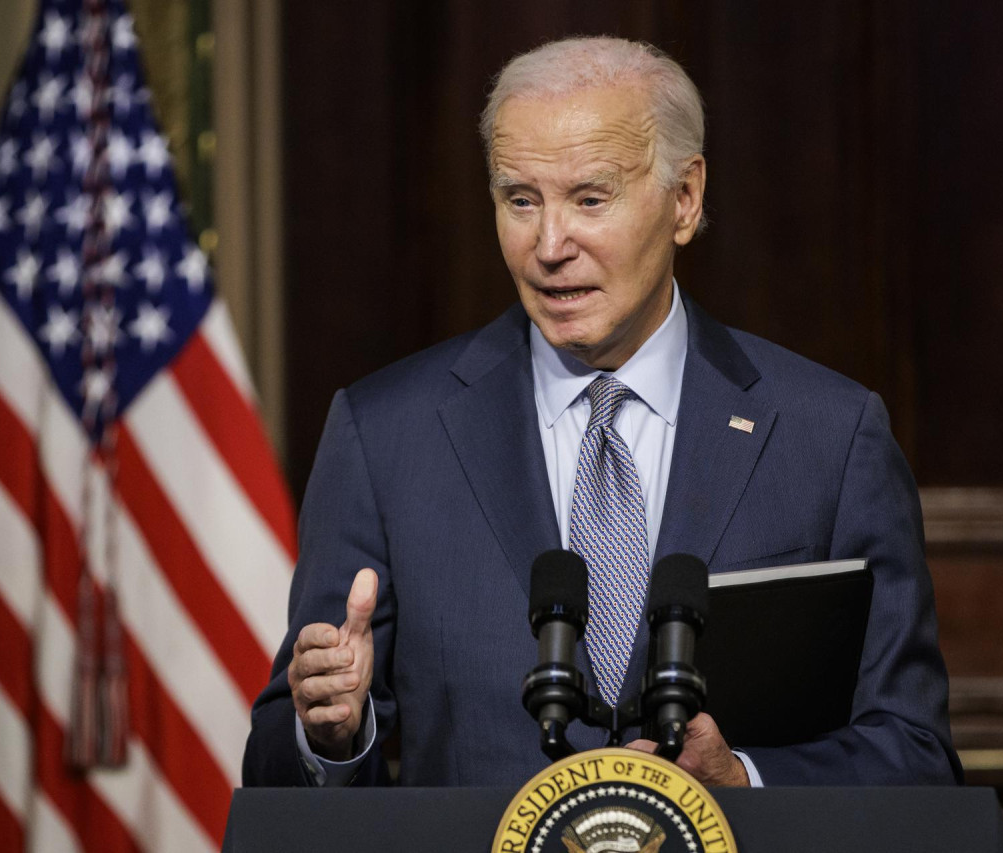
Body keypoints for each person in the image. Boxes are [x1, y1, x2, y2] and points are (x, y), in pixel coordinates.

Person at [242, 36, 961, 789]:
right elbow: (275, 770)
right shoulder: (385, 436)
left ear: (685, 198)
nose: (549, 245)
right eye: (520, 200)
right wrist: (331, 731)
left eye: (590, 198)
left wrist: (745, 781)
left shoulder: (831, 435)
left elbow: (917, 756)